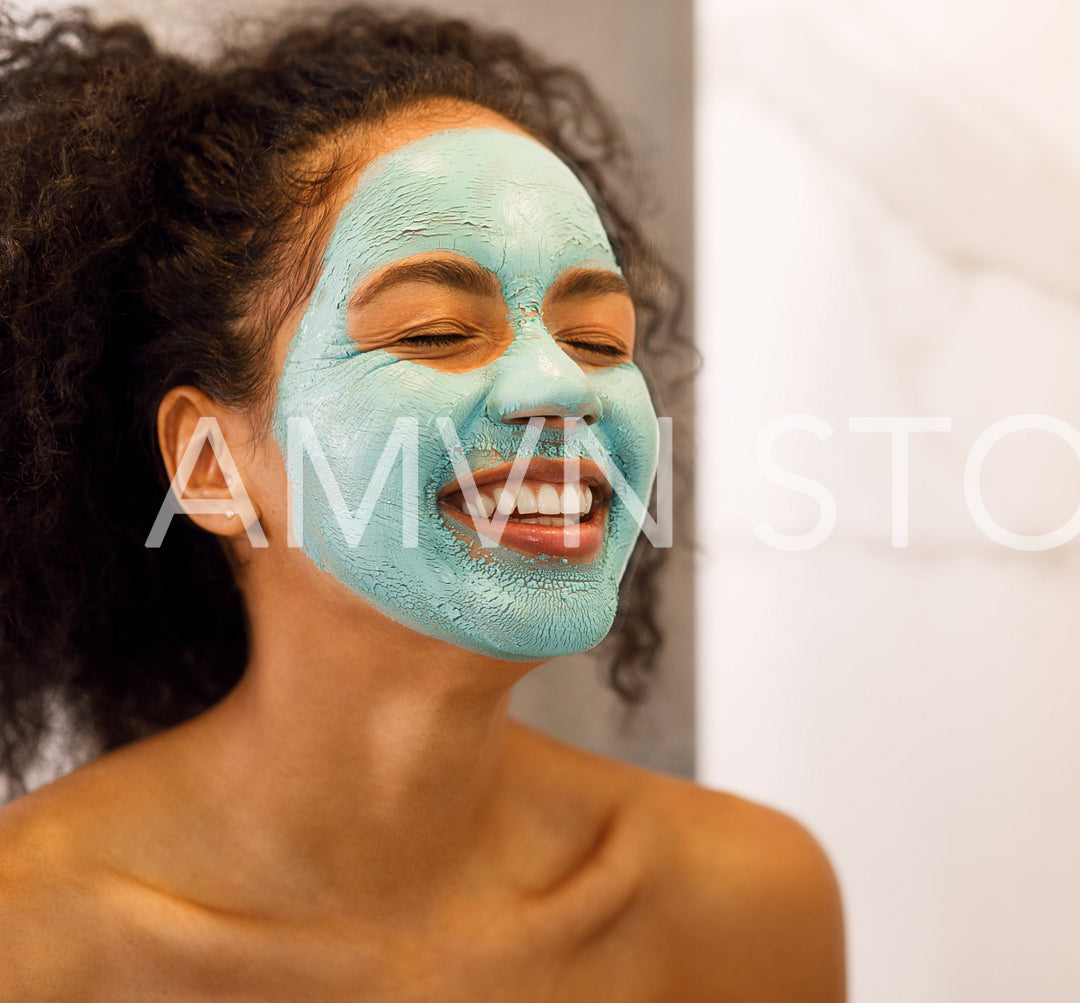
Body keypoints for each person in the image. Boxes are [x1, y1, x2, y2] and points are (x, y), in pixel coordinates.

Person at [0, 6, 845, 998]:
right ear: (214, 464)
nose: (564, 389)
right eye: (438, 332)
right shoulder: (33, 938)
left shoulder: (741, 903)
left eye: (599, 340)